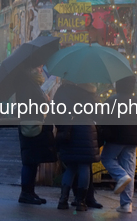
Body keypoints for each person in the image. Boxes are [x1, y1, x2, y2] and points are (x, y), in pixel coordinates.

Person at [101, 76, 137, 214]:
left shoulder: (112, 100)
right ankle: (126, 204)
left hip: (116, 138)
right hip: (133, 141)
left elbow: (104, 120)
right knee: (129, 169)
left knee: (107, 158)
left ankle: (120, 176)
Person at [53, 81, 100, 212]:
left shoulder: (63, 91)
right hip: (86, 131)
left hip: (69, 131)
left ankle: (63, 200)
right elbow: (97, 115)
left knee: (71, 166)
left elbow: (57, 111)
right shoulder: (91, 92)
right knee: (84, 166)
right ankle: (80, 201)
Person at [17, 67, 57, 205]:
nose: (41, 71)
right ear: (31, 71)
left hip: (31, 125)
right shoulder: (29, 86)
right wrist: (44, 101)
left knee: (33, 161)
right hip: (31, 127)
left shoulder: (30, 85)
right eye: (37, 68)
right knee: (30, 161)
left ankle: (30, 192)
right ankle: (26, 193)